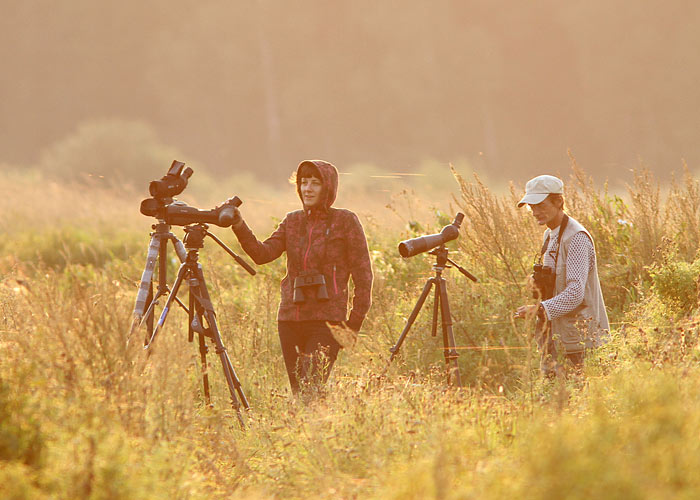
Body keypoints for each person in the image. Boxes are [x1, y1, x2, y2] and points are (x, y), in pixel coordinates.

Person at [226, 160, 373, 394]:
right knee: (299, 391)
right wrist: (239, 225)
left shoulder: (345, 221)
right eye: (304, 182)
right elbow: (262, 254)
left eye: (315, 183)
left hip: (328, 321)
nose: (308, 189)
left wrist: (353, 324)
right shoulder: (292, 221)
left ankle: (317, 427)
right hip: (289, 319)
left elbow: (363, 276)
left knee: (311, 389)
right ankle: (306, 429)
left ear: (329, 188)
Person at [514, 174, 609, 375]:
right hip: (555, 338)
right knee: (551, 402)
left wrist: (539, 309)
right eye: (531, 206)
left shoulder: (576, 238)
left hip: (580, 342)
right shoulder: (550, 234)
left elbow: (576, 293)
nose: (535, 212)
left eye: (540, 205)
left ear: (559, 201)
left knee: (577, 401)